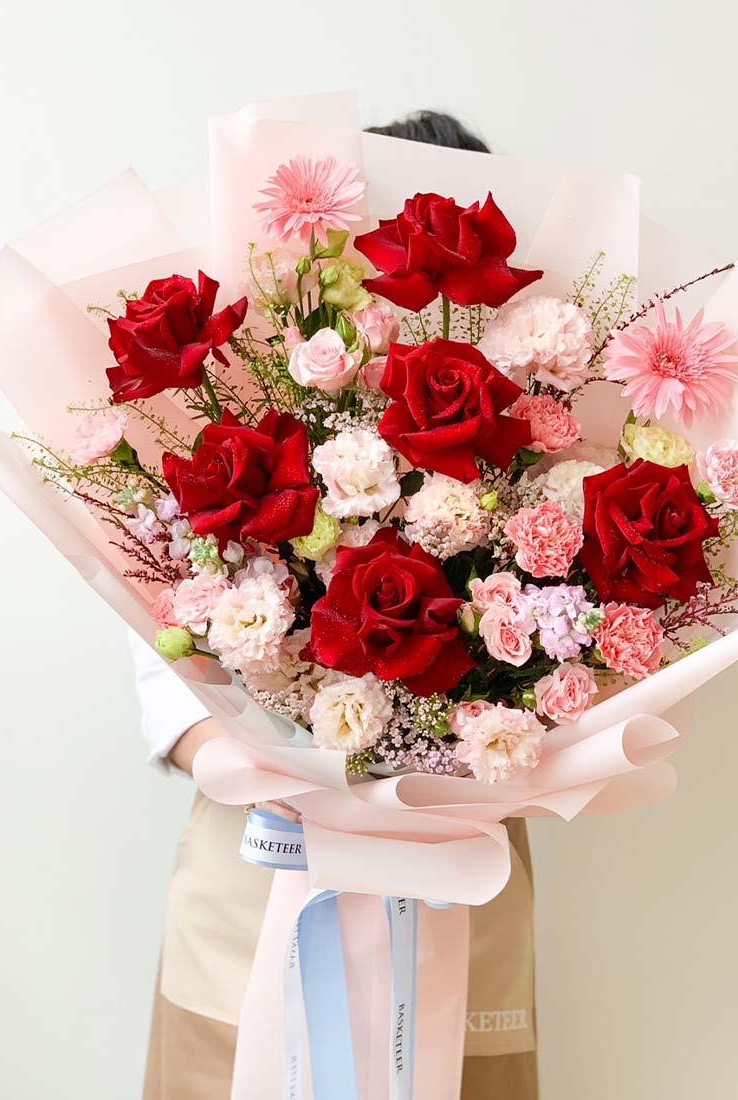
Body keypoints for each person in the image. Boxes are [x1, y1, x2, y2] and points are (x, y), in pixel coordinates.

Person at [136, 110, 539, 1100]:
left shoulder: (537, 442)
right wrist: (270, 767)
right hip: (261, 848)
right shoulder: (249, 410)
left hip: (456, 875)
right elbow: (154, 624)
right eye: (402, 241)